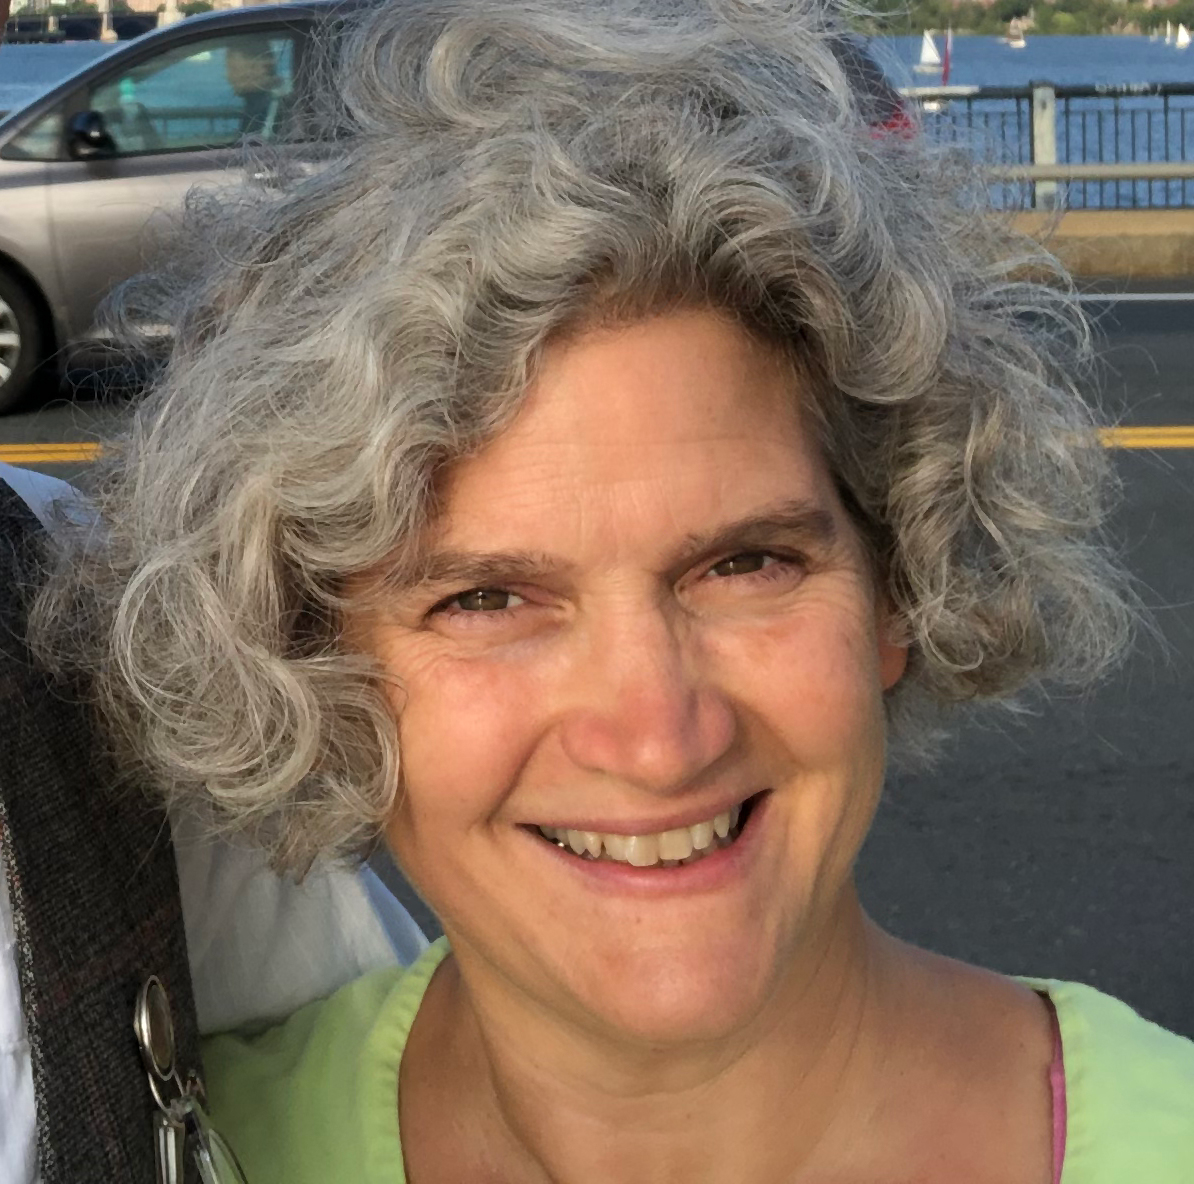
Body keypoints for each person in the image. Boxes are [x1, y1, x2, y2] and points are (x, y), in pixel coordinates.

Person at [25, 0, 1194, 1181]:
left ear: (901, 586)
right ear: (313, 666)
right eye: (485, 599)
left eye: (747, 564)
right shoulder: (175, 1151)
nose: (655, 736)